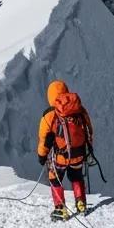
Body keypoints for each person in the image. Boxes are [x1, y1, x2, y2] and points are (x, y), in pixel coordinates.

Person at [37, 79, 93, 220]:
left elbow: (44, 138)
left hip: (60, 157)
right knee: (76, 177)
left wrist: (41, 155)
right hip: (79, 153)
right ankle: (81, 203)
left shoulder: (50, 114)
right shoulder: (80, 110)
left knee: (54, 178)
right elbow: (88, 131)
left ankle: (60, 209)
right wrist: (88, 149)